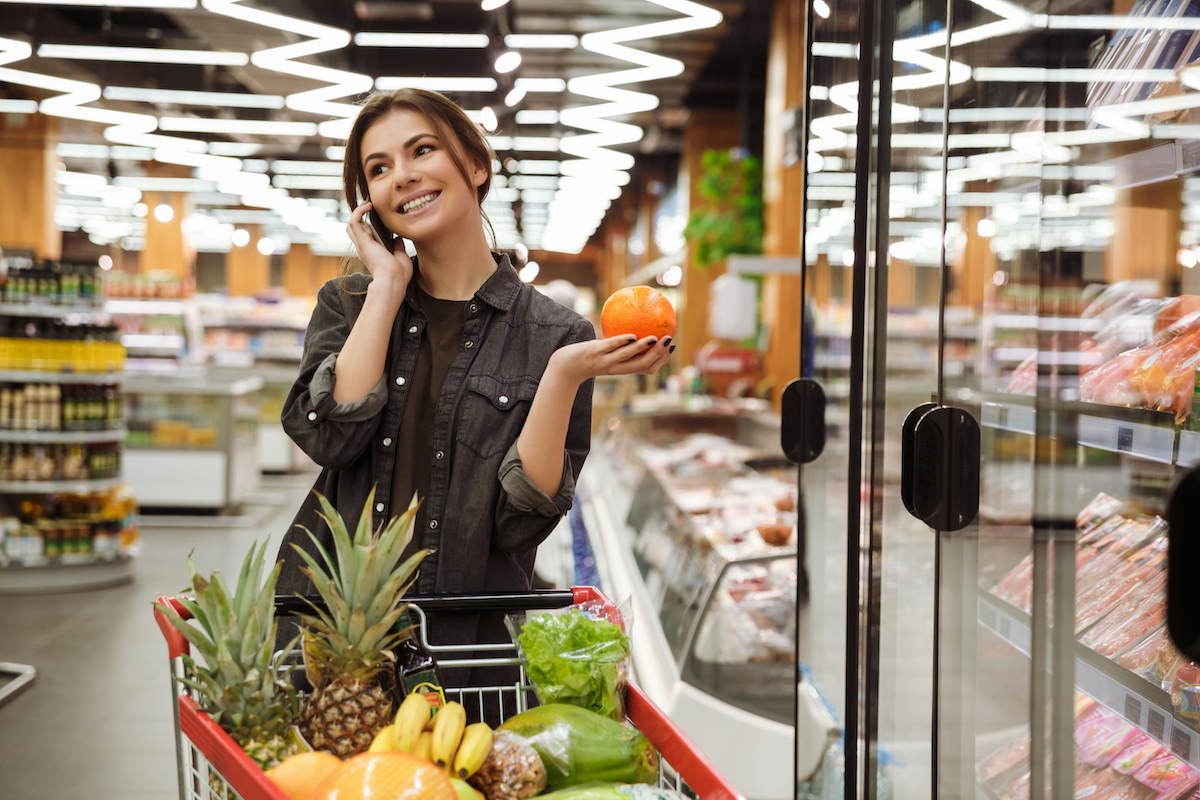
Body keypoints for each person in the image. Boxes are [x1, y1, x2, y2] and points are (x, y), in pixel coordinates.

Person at [275, 88, 673, 705]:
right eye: (378, 169)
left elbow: (520, 523)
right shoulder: (346, 304)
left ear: (476, 165)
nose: (401, 176)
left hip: (467, 650)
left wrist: (563, 375)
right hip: (331, 639)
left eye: (422, 150)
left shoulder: (556, 336)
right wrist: (385, 283)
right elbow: (331, 434)